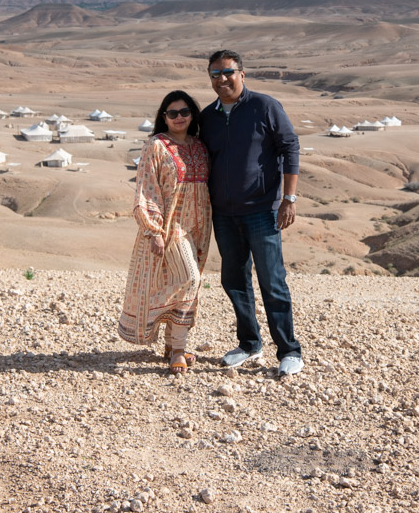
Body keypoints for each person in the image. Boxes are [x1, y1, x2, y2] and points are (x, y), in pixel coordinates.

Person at [199, 50, 304, 377]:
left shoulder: (264, 107)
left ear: (242, 74)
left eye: (227, 72)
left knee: (272, 281)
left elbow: (290, 147)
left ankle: (288, 350)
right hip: (224, 214)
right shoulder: (207, 117)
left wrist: (289, 198)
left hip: (261, 210)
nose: (222, 79)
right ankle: (249, 343)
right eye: (215, 74)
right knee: (234, 280)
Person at [118, 90, 211, 374]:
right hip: (171, 227)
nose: (179, 117)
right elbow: (147, 188)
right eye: (172, 113)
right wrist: (154, 230)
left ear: (192, 114)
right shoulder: (156, 145)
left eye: (184, 112)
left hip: (200, 228)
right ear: (163, 117)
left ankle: (174, 343)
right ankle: (177, 349)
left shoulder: (200, 146)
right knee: (190, 279)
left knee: (189, 285)